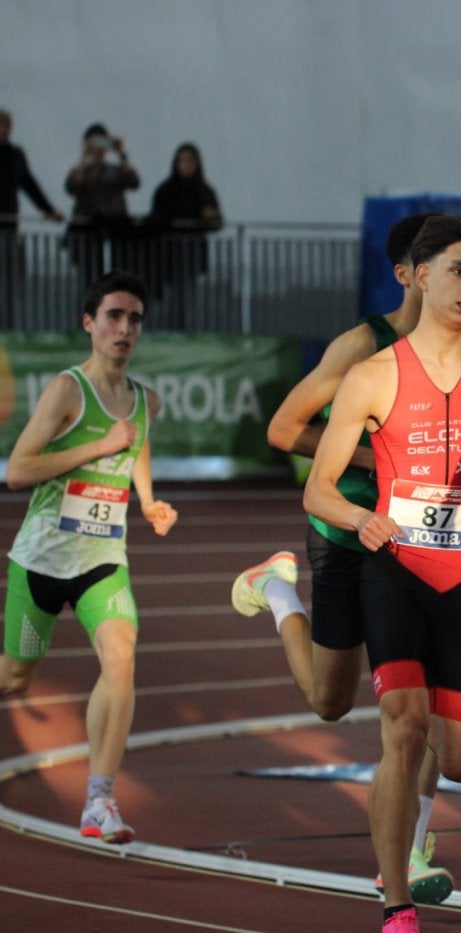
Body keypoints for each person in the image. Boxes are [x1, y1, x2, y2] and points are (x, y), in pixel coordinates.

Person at [303, 213, 461, 933]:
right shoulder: (371, 375)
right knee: (402, 729)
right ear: (422, 272)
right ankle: (396, 901)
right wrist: (358, 519)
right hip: (393, 566)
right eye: (459, 271)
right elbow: (319, 488)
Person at [230, 212, 458, 904]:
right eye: (444, 266)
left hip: (420, 543)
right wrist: (375, 456)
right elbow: (283, 428)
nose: (459, 282)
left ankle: (412, 850)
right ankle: (276, 591)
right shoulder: (362, 345)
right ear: (407, 274)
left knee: (432, 701)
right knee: (330, 700)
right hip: (343, 534)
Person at [1, 269, 178, 845]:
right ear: (90, 323)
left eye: (134, 320)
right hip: (42, 561)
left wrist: (148, 501)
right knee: (14, 677)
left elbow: (139, 440)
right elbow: (17, 472)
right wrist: (98, 445)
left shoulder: (147, 399)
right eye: (114, 317)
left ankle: (99, 800)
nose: (125, 329)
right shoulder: (67, 391)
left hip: (103, 559)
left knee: (121, 656)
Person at [142, 141, 222, 323]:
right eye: (182, 161)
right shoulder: (166, 190)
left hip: (192, 253)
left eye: (190, 161)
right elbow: (157, 218)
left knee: (187, 295)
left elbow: (217, 222)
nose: (186, 165)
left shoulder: (204, 191)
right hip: (167, 254)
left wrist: (208, 218)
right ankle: (168, 330)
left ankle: (185, 329)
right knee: (167, 296)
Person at [0, 108, 64, 324]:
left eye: (4, 126)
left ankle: (6, 326)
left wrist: (48, 210)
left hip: (8, 228)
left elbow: (29, 184)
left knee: (9, 281)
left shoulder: (16, 155)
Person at [64, 123, 140, 284]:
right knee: (89, 279)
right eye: (94, 143)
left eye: (102, 142)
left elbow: (134, 182)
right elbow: (73, 186)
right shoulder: (81, 170)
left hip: (116, 228)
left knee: (118, 277)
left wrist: (121, 154)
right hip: (88, 231)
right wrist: (84, 157)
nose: (98, 147)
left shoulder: (115, 169)